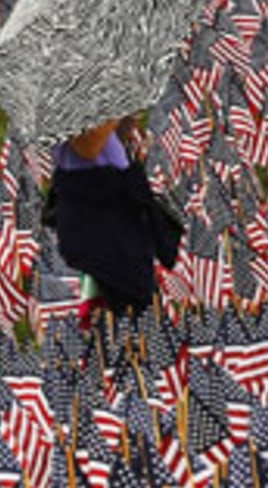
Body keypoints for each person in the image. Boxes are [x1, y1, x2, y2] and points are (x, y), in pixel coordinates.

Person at [45, 113, 175, 330]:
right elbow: (88, 147)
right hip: (99, 227)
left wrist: (127, 116)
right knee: (122, 326)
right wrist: (115, 105)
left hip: (117, 219)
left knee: (142, 317)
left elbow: (107, 141)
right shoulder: (71, 102)